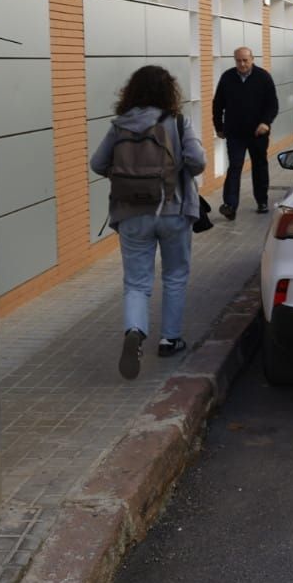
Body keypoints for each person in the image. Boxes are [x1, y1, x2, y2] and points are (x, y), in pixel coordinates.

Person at [89, 65, 206, 380]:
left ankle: (135, 330)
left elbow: (97, 163)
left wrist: (128, 177)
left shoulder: (120, 126)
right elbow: (198, 162)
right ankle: (170, 339)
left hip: (130, 213)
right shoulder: (179, 123)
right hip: (172, 210)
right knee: (175, 275)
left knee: (137, 282)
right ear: (169, 92)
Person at [211, 46, 278, 219]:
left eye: (245, 60)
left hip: (258, 133)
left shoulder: (263, 77)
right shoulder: (227, 77)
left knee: (259, 166)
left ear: (252, 59)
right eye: (238, 60)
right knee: (235, 166)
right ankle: (230, 205)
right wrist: (218, 127)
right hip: (235, 133)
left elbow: (273, 105)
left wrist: (265, 122)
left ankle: (262, 201)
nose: (242, 64)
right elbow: (218, 104)